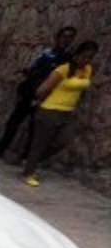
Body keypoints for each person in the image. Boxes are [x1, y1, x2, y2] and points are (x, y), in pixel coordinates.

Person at [0, 25, 77, 159]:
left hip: (44, 96)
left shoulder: (67, 59)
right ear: (57, 37)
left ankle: (24, 157)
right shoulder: (47, 53)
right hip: (29, 92)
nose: (66, 40)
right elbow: (36, 68)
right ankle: (0, 149)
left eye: (70, 37)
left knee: (33, 129)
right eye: (64, 36)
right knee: (13, 122)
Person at [21, 40, 98, 187]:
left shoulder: (87, 69)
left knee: (63, 141)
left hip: (67, 112)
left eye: (91, 57)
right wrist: (38, 103)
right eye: (85, 56)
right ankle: (29, 172)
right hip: (50, 110)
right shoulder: (63, 70)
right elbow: (42, 90)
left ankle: (31, 161)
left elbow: (85, 85)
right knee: (39, 143)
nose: (87, 60)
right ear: (77, 54)